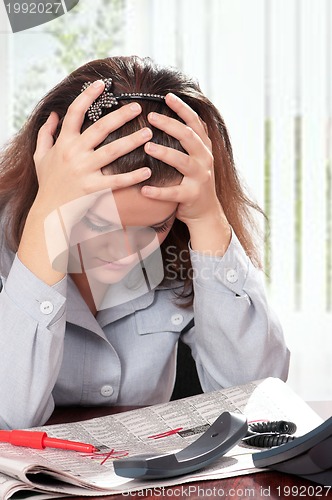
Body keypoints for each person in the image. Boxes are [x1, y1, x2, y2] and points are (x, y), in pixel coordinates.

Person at [0, 56, 289, 430]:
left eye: (155, 228)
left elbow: (257, 404)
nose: (123, 254)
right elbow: (7, 419)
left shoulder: (187, 237)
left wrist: (207, 221)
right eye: (98, 224)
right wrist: (45, 220)